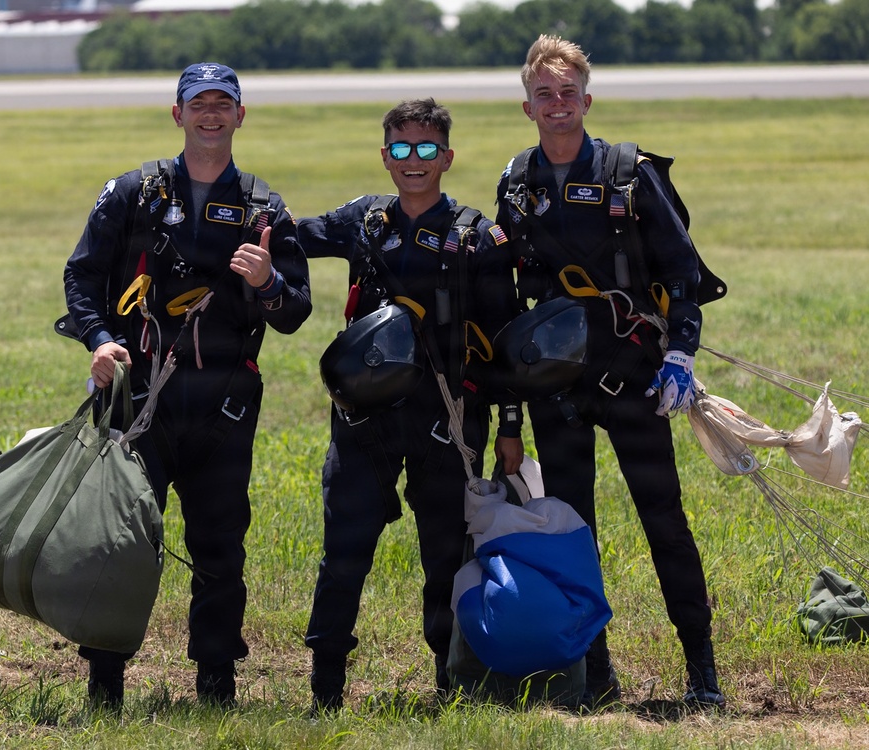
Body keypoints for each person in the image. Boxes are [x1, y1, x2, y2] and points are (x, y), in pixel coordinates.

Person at [62, 62, 312, 711]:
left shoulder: (264, 208)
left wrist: (268, 284)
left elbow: (296, 313)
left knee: (220, 544)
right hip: (139, 399)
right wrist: (98, 341)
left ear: (239, 115)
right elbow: (81, 278)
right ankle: (105, 684)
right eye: (197, 103)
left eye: (222, 104)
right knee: (120, 540)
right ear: (177, 115)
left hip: (224, 405)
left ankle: (216, 687)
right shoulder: (131, 193)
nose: (210, 114)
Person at [494, 35, 725, 710]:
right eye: (545, 95)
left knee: (665, 522)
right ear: (528, 105)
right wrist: (511, 411)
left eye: (568, 94)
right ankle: (594, 672)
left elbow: (683, 275)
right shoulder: (516, 184)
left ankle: (701, 671)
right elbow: (508, 302)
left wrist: (681, 354)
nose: (557, 105)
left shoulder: (630, 175)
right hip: (557, 386)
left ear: (586, 100)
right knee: (572, 532)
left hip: (635, 377)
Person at [298, 98, 524, 712]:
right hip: (363, 423)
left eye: (427, 150)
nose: (414, 161)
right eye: (401, 149)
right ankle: (326, 690)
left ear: (448, 157)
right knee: (343, 552)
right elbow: (290, 235)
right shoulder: (362, 222)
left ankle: (450, 681)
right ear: (384, 156)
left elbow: (506, 342)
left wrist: (508, 427)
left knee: (446, 557)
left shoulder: (477, 237)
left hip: (448, 423)